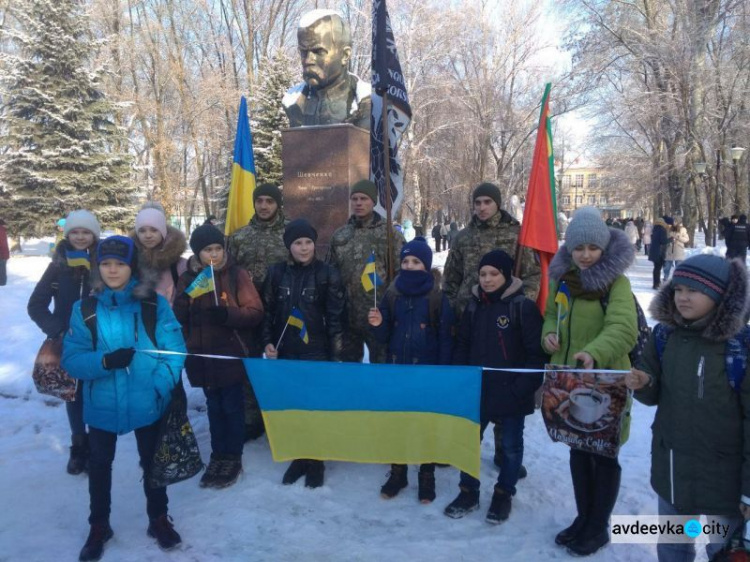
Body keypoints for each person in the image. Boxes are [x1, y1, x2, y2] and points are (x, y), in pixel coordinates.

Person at [61, 236, 187, 561]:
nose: (113, 270)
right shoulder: (84, 308)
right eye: (106, 264)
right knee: (100, 466)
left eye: (119, 263)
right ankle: (99, 525)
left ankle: (158, 517)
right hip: (101, 403)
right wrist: (103, 362)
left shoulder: (152, 304)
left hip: (146, 399)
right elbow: (71, 359)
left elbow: (174, 350)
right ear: (97, 267)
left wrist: (160, 384)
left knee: (152, 463)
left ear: (131, 266)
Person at [626, 254, 750, 562]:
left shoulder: (740, 346)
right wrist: (643, 382)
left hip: (725, 480)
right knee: (673, 548)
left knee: (722, 550)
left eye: (694, 290)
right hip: (673, 469)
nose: (683, 297)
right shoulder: (665, 335)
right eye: (678, 289)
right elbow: (654, 392)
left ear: (720, 294)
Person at [541, 207, 638, 556]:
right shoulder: (562, 279)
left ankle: (598, 525)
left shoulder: (617, 283)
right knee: (578, 451)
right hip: (568, 381)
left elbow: (624, 328)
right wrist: (549, 335)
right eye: (579, 248)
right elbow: (553, 315)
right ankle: (583, 517)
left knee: (604, 455)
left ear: (603, 249)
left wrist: (594, 352)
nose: (585, 255)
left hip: (604, 383)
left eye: (592, 249)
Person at [444, 182, 540, 474]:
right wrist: (451, 310)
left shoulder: (516, 235)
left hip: (508, 320)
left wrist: (520, 307)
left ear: (497, 203)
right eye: (477, 202)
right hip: (470, 317)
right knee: (474, 387)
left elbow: (533, 275)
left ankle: (504, 452)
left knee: (505, 385)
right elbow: (451, 277)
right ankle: (463, 446)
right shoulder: (463, 237)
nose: (482, 207)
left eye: (487, 201)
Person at [443, 250, 545, 523]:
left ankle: (503, 494)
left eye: (494, 274)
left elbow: (537, 355)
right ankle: (468, 491)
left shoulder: (522, 307)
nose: (487, 280)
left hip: (512, 393)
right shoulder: (474, 306)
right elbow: (462, 345)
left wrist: (520, 389)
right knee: (468, 442)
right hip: (477, 391)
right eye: (483, 274)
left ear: (506, 275)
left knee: (511, 447)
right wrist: (460, 379)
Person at [173, 223, 264, 489]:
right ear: (197, 253)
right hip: (202, 355)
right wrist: (185, 303)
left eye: (217, 248)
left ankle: (232, 455)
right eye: (207, 250)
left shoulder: (236, 275)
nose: (213, 254)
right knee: (214, 406)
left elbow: (255, 312)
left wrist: (228, 315)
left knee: (232, 406)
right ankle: (218, 454)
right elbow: (179, 316)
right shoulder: (189, 279)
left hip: (230, 356)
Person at [367, 237, 454, 503]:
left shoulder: (437, 298)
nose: (409, 265)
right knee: (398, 423)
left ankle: (426, 476)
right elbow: (381, 338)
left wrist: (441, 374)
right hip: (397, 370)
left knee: (424, 425)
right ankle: (398, 472)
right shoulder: (391, 294)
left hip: (426, 374)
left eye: (416, 261)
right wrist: (377, 323)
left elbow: (445, 339)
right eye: (405, 261)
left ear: (426, 266)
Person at [262, 219, 345, 488]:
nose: (304, 247)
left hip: (316, 352)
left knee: (314, 407)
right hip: (286, 352)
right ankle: (299, 456)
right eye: (298, 243)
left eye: (308, 242)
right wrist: (268, 342)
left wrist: (335, 356)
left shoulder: (327, 274)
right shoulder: (276, 273)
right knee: (293, 406)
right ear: (289, 246)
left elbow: (335, 319)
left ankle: (316, 460)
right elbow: (267, 312)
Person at [28, 209, 100, 474]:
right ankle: (79, 445)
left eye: (86, 232)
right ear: (67, 234)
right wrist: (58, 331)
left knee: (96, 393)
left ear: (94, 235)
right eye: (75, 232)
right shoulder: (58, 265)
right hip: (68, 343)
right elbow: (36, 305)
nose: (80, 237)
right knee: (74, 394)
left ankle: (97, 444)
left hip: (99, 342)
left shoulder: (105, 262)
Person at [227, 182, 289, 441]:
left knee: (281, 364)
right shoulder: (240, 236)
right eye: (260, 200)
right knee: (250, 364)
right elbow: (227, 271)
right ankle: (252, 418)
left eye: (269, 201)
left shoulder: (289, 233)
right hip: (248, 311)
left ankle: (283, 416)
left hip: (281, 311)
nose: (264, 206)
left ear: (278, 204)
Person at [327, 179, 404, 363]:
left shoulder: (389, 234)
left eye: (364, 198)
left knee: (382, 367)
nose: (359, 203)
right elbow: (330, 272)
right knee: (349, 369)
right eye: (354, 199)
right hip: (348, 315)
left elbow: (401, 273)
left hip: (378, 314)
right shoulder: (340, 235)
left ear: (373, 201)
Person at [282, 10, 371, 129]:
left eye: (318, 51)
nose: (308, 60)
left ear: (345, 56)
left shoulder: (369, 104)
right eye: (303, 52)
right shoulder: (293, 103)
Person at [131, 202, 187, 305]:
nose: (148, 235)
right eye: (142, 231)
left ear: (162, 230)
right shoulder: (129, 260)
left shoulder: (180, 265)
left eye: (154, 230)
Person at [648, 216, 670, 289]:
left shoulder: (655, 229)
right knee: (658, 268)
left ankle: (656, 283)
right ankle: (656, 284)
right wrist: (670, 239)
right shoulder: (662, 230)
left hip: (654, 252)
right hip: (659, 252)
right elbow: (663, 241)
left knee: (656, 268)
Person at [0, 218, 9, 285]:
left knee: (2, 269)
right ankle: (2, 281)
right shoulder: (2, 229)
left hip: (2, 253)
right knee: (2, 268)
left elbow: (1, 242)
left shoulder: (1, 230)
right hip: (3, 252)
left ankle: (2, 282)